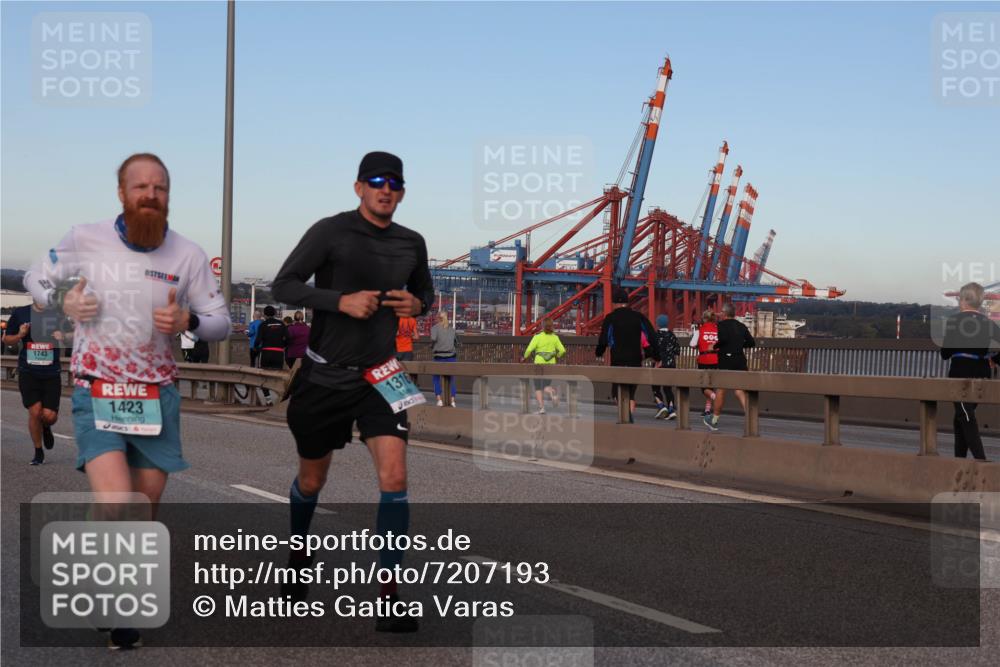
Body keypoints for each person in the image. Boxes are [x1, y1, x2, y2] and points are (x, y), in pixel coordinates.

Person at [24, 152, 231, 649]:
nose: (150, 195)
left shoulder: (189, 255)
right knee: (118, 499)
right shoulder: (84, 237)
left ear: (168, 195)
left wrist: (190, 322)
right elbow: (36, 278)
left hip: (157, 394)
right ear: (121, 193)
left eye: (159, 187)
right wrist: (63, 301)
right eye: (140, 187)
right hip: (98, 386)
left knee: (144, 507)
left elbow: (222, 320)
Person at [271, 151, 434, 633]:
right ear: (359, 187)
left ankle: (389, 596)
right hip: (325, 376)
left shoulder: (412, 242)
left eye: (395, 184)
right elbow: (284, 285)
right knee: (312, 483)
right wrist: (338, 301)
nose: (386, 189)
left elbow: (424, 293)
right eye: (376, 181)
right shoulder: (331, 231)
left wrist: (417, 304)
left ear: (402, 192)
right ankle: (299, 553)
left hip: (382, 375)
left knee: (396, 477)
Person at [940, 282, 1000, 460]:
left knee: (965, 416)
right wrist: (994, 360)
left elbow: (945, 354)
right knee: (961, 416)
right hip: (981, 372)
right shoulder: (987, 322)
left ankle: (981, 461)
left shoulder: (954, 321)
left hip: (960, 372)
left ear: (964, 300)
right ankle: (960, 463)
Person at [2, 302, 65, 465]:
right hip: (28, 371)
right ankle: (38, 451)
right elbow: (7, 340)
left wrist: (63, 335)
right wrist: (20, 335)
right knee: (35, 412)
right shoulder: (20, 313)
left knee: (49, 417)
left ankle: (46, 427)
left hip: (51, 372)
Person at [595, 287, 659, 423]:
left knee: (616, 392)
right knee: (630, 393)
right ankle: (628, 415)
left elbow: (604, 339)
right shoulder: (639, 317)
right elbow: (652, 336)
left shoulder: (610, 318)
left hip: (617, 360)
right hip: (635, 360)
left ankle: (625, 415)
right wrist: (657, 356)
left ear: (614, 303)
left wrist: (599, 353)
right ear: (627, 302)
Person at [706, 303, 756, 431]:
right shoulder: (741, 326)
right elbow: (751, 343)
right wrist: (738, 346)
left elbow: (723, 339)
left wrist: (713, 347)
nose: (720, 314)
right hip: (740, 360)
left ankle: (714, 420)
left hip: (726, 361)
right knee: (739, 390)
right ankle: (750, 419)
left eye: (721, 312)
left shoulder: (721, 325)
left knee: (721, 390)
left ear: (724, 313)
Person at [523, 317, 566, 414]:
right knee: (546, 385)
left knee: (538, 387)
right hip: (551, 365)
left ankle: (542, 408)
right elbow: (563, 350)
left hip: (539, 364)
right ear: (552, 326)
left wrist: (524, 357)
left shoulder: (537, 337)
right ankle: (552, 392)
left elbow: (529, 350)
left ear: (542, 326)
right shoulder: (555, 337)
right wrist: (557, 355)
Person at [689, 309, 719, 422]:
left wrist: (700, 346)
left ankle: (715, 398)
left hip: (704, 360)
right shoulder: (718, 330)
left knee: (704, 387)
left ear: (704, 319)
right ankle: (707, 410)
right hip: (717, 360)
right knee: (711, 385)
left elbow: (692, 344)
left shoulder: (699, 331)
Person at [651, 314, 680, 420]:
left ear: (657, 324)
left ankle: (661, 406)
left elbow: (652, 351)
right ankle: (671, 409)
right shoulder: (672, 335)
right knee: (668, 388)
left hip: (658, 365)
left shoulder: (655, 335)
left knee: (655, 386)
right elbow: (677, 351)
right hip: (671, 365)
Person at [430, 311, 459, 407]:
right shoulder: (452, 329)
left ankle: (439, 399)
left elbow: (433, 339)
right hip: (451, 357)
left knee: (436, 378)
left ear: (438, 318)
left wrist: (432, 346)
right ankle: (452, 400)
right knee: (452, 379)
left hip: (439, 357)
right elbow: (456, 343)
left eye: (436, 317)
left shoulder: (434, 328)